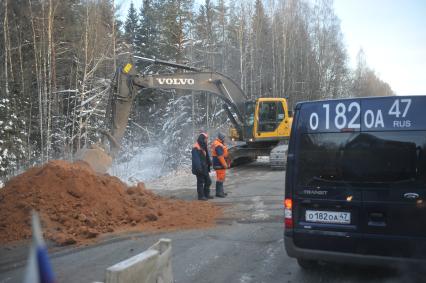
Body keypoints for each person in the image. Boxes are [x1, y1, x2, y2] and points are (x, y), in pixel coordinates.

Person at [191, 133, 213, 200]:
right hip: (199, 168)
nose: (207, 140)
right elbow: (196, 159)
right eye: (206, 139)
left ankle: (206, 194)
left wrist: (209, 162)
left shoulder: (203, 145)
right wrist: (199, 168)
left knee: (208, 181)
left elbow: (206, 156)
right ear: (202, 139)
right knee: (200, 182)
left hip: (204, 167)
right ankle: (201, 196)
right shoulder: (196, 147)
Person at [211, 132, 229, 198]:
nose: (225, 139)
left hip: (218, 164)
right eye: (224, 138)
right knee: (220, 178)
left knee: (220, 178)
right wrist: (225, 165)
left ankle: (221, 192)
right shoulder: (218, 145)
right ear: (222, 138)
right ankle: (219, 193)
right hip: (219, 164)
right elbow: (220, 156)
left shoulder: (218, 143)